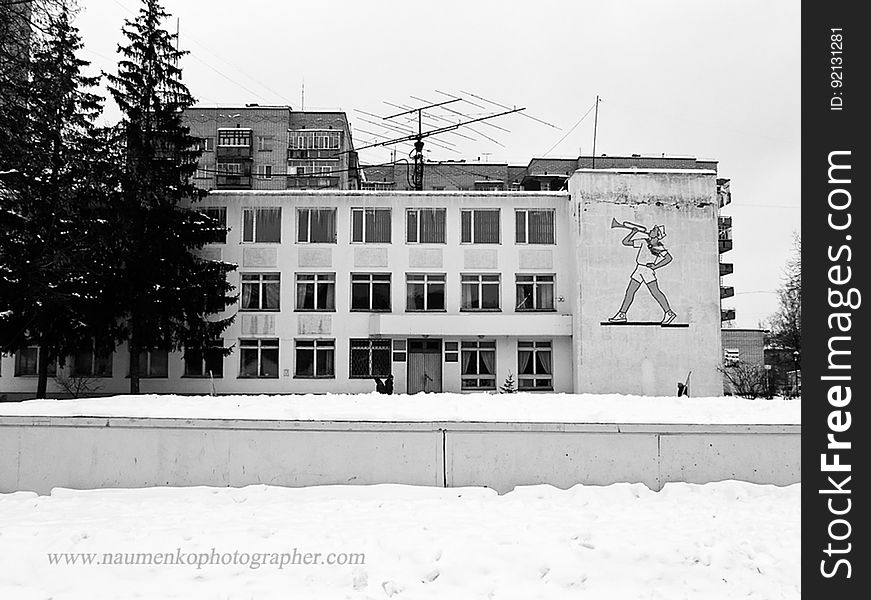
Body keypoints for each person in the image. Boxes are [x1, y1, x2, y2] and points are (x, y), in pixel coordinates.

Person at [609, 224, 677, 325]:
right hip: (639, 269)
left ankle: (669, 313)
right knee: (630, 291)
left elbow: (668, 258)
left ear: (657, 234)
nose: (651, 230)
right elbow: (625, 242)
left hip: (647, 271)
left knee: (655, 292)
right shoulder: (644, 241)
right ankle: (622, 314)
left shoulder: (658, 246)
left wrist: (655, 266)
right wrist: (633, 232)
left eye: (654, 230)